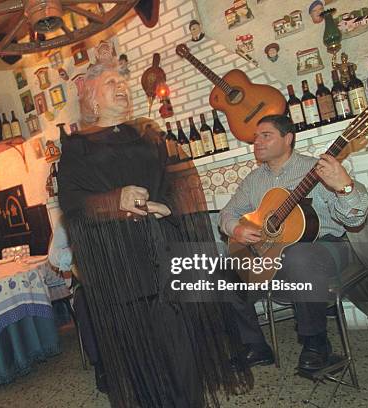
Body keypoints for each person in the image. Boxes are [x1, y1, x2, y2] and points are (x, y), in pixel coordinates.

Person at [58, 59, 251, 407]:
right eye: (110, 82)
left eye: (123, 80)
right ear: (93, 100)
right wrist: (115, 200)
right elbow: (72, 205)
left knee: (181, 343)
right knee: (143, 354)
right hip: (121, 267)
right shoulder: (76, 150)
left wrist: (166, 206)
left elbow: (179, 180)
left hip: (163, 251)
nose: (122, 86)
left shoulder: (148, 134)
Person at [219, 115, 368, 371]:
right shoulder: (254, 180)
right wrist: (237, 228)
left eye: (266, 135)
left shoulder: (316, 169)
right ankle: (256, 346)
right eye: (255, 137)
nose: (257, 141)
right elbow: (227, 214)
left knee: (298, 256)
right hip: (274, 254)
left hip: (326, 247)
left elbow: (356, 217)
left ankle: (316, 345)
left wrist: (345, 187)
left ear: (287, 139)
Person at [48, 219, 108, 393]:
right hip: (87, 281)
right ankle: (101, 366)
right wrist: (76, 257)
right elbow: (53, 254)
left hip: (119, 275)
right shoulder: (69, 215)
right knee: (84, 303)